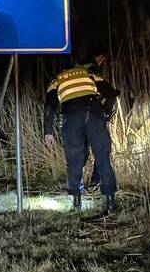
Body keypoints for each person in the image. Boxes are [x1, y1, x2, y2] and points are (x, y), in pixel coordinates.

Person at [43, 56, 120, 211]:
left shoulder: (57, 80)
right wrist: (106, 114)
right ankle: (110, 201)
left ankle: (76, 202)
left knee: (74, 160)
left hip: (71, 118)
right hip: (93, 113)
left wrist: (48, 131)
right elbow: (111, 93)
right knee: (102, 157)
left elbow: (50, 105)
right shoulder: (89, 74)